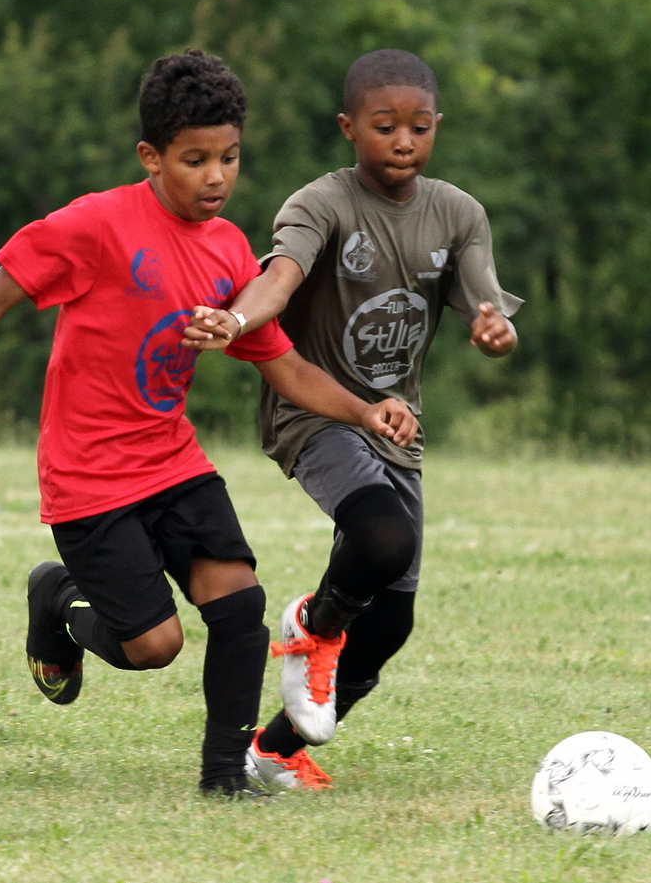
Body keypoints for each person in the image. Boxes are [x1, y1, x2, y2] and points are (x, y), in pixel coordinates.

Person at [0, 50, 418, 798]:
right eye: (195, 160)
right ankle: (56, 595)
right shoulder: (96, 225)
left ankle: (223, 779)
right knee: (154, 645)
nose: (216, 176)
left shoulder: (225, 251)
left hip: (172, 462)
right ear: (150, 157)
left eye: (229, 157)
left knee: (241, 604)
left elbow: (282, 366)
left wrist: (363, 409)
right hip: (87, 477)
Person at [182, 48, 522, 791]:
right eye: (384, 125)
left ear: (436, 128)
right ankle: (311, 624)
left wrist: (494, 327)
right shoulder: (320, 204)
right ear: (348, 128)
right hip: (312, 411)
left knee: (391, 622)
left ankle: (272, 750)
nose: (403, 140)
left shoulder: (457, 212)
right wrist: (236, 319)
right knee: (379, 536)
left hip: (395, 424)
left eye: (419, 127)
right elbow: (278, 280)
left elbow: (483, 299)